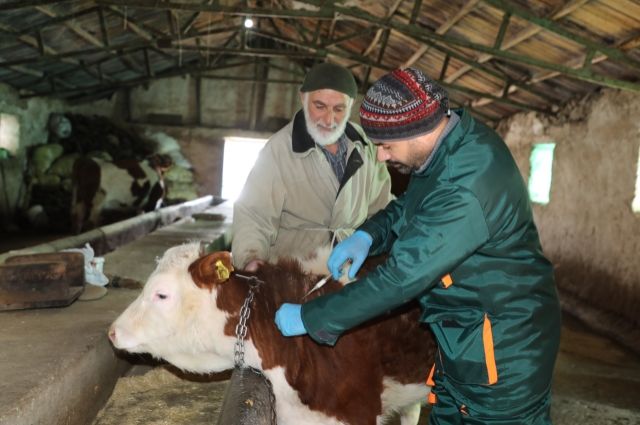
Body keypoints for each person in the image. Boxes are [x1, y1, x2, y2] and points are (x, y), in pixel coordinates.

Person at [274, 67, 561, 424]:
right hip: (463, 332)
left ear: (415, 130)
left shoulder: (466, 186)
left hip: (503, 349)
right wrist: (369, 234)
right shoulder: (446, 150)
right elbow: (408, 207)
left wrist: (312, 317)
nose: (380, 156)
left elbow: (399, 280)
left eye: (385, 145)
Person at [232, 62, 393, 271]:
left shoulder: (366, 147)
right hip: (295, 273)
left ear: (351, 104)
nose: (329, 119)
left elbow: (382, 209)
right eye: (319, 106)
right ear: (303, 98)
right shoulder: (279, 150)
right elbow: (254, 214)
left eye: (339, 109)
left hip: (349, 273)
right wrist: (251, 258)